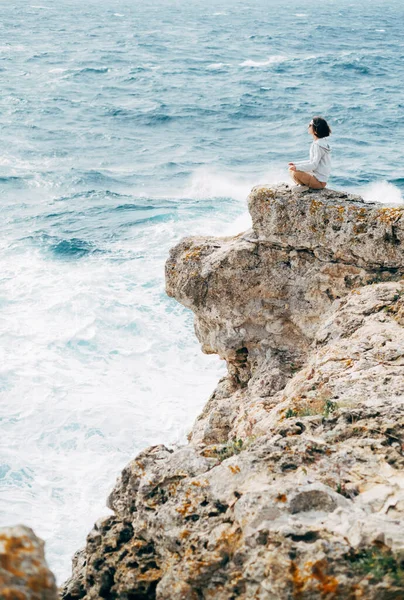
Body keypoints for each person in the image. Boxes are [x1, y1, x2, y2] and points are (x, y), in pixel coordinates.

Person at [288, 116, 332, 189]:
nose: (308, 127)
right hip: (317, 178)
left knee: (295, 173)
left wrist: (297, 167)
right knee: (291, 169)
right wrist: (296, 164)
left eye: (310, 125)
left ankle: (304, 187)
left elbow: (313, 165)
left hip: (319, 182)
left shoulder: (318, 145)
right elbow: (312, 162)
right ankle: (303, 185)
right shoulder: (320, 142)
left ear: (316, 130)